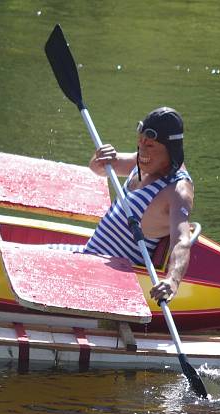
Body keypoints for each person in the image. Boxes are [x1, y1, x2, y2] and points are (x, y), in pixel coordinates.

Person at [85, 107, 195, 304]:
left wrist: (172, 281)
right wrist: (100, 156)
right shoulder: (144, 162)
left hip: (105, 281)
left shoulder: (177, 191)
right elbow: (97, 169)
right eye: (140, 143)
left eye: (150, 146)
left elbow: (181, 241)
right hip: (87, 258)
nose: (142, 151)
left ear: (170, 150)